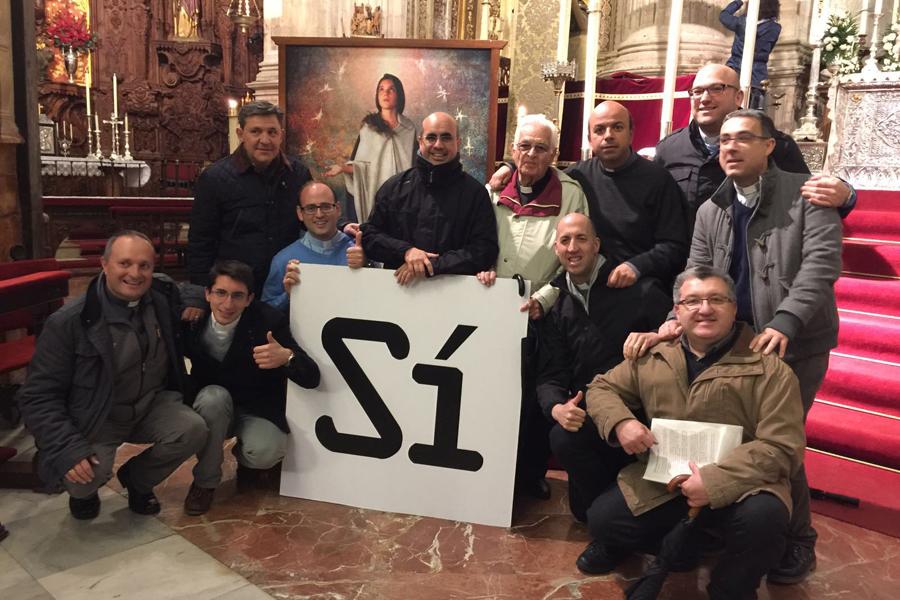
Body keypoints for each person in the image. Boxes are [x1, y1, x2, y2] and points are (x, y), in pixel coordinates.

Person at [630, 109, 843, 585]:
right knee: (731, 436)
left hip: (798, 341)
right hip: (734, 339)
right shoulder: (712, 208)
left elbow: (821, 267)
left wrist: (786, 319)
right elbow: (695, 270)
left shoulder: (807, 196)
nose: (731, 146)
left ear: (770, 145)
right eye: (725, 139)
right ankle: (728, 525)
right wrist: (672, 319)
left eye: (744, 138)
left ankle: (798, 541)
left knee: (781, 441)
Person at [577, 266, 805, 600]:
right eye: (693, 301)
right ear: (678, 311)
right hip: (667, 481)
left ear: (733, 307)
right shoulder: (653, 356)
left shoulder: (770, 369)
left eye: (717, 299)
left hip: (743, 486)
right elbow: (600, 389)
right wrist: (622, 422)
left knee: (765, 521)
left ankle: (731, 587)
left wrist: (714, 482)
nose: (705, 309)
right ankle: (692, 546)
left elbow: (782, 447)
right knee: (603, 520)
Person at [17, 231, 209, 519]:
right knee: (82, 479)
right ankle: (84, 494)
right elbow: (37, 395)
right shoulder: (68, 322)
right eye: (125, 264)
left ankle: (138, 481)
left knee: (193, 429)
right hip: (98, 415)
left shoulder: (159, 297)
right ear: (105, 265)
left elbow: (188, 290)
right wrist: (67, 447)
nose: (135, 273)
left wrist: (198, 300)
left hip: (149, 404)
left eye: (144, 266)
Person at [476, 114, 589, 498]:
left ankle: (530, 474)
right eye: (524, 146)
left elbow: (574, 258)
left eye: (541, 147)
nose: (532, 154)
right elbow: (477, 238)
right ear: (512, 150)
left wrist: (544, 299)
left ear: (554, 154)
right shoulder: (493, 189)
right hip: (490, 307)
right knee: (489, 391)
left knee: (532, 398)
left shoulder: (570, 193)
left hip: (542, 310)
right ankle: (485, 464)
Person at [538, 213, 672, 520]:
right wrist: (556, 407)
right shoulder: (555, 302)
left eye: (581, 239)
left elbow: (677, 336)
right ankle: (608, 512)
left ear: (596, 245)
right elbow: (550, 372)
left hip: (643, 412)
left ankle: (618, 514)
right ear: (556, 249)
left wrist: (655, 336)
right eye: (565, 240)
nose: (573, 248)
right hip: (593, 415)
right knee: (563, 441)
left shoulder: (638, 289)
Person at [489, 101, 689, 292]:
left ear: (631, 134)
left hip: (639, 283)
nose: (608, 136)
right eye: (599, 130)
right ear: (589, 138)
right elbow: (539, 166)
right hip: (586, 286)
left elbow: (675, 245)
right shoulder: (577, 176)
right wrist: (511, 166)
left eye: (617, 127)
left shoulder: (658, 179)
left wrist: (637, 267)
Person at [183, 260, 320, 515]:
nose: (227, 304)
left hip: (256, 406)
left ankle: (248, 463)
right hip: (212, 404)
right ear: (207, 294)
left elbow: (311, 376)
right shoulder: (191, 320)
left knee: (266, 452)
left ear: (250, 299)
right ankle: (205, 482)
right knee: (213, 398)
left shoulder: (269, 320)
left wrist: (287, 357)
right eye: (220, 293)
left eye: (237, 296)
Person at [655, 63, 855, 221]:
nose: (704, 99)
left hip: (751, 263)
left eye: (716, 88)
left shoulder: (776, 145)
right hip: (687, 264)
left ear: (739, 97)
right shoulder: (669, 148)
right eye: (697, 91)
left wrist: (846, 195)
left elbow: (808, 198)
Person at [188, 101, 312, 296]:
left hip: (286, 285)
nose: (265, 140)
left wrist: (343, 226)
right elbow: (201, 242)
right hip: (236, 289)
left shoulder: (298, 174)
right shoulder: (214, 178)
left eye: (272, 132)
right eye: (256, 131)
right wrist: (197, 294)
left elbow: (313, 218)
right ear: (240, 134)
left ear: (281, 134)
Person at [362, 111, 498, 286]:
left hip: (455, 296)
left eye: (446, 138)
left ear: (458, 143)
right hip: (399, 294)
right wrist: (406, 252)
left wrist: (431, 265)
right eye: (431, 137)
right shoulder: (394, 187)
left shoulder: (475, 193)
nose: (438, 145)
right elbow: (369, 236)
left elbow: (484, 250)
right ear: (420, 141)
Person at [324, 74, 417, 225]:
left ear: (399, 95)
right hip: (376, 194)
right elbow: (362, 166)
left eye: (391, 90)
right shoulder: (369, 128)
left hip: (402, 199)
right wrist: (341, 168)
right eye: (381, 89)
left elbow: (414, 168)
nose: (385, 94)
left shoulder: (409, 129)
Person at [261, 181, 366, 312]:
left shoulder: (359, 250)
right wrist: (288, 296)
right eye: (310, 208)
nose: (319, 214)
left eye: (326, 206)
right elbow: (265, 313)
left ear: (338, 209)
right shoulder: (283, 260)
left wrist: (366, 267)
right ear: (300, 213)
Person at [720, 0, 782, 109]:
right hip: (756, 74)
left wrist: (739, 2)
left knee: (733, 108)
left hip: (736, 69)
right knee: (752, 112)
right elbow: (767, 49)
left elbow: (724, 15)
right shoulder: (774, 28)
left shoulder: (742, 22)